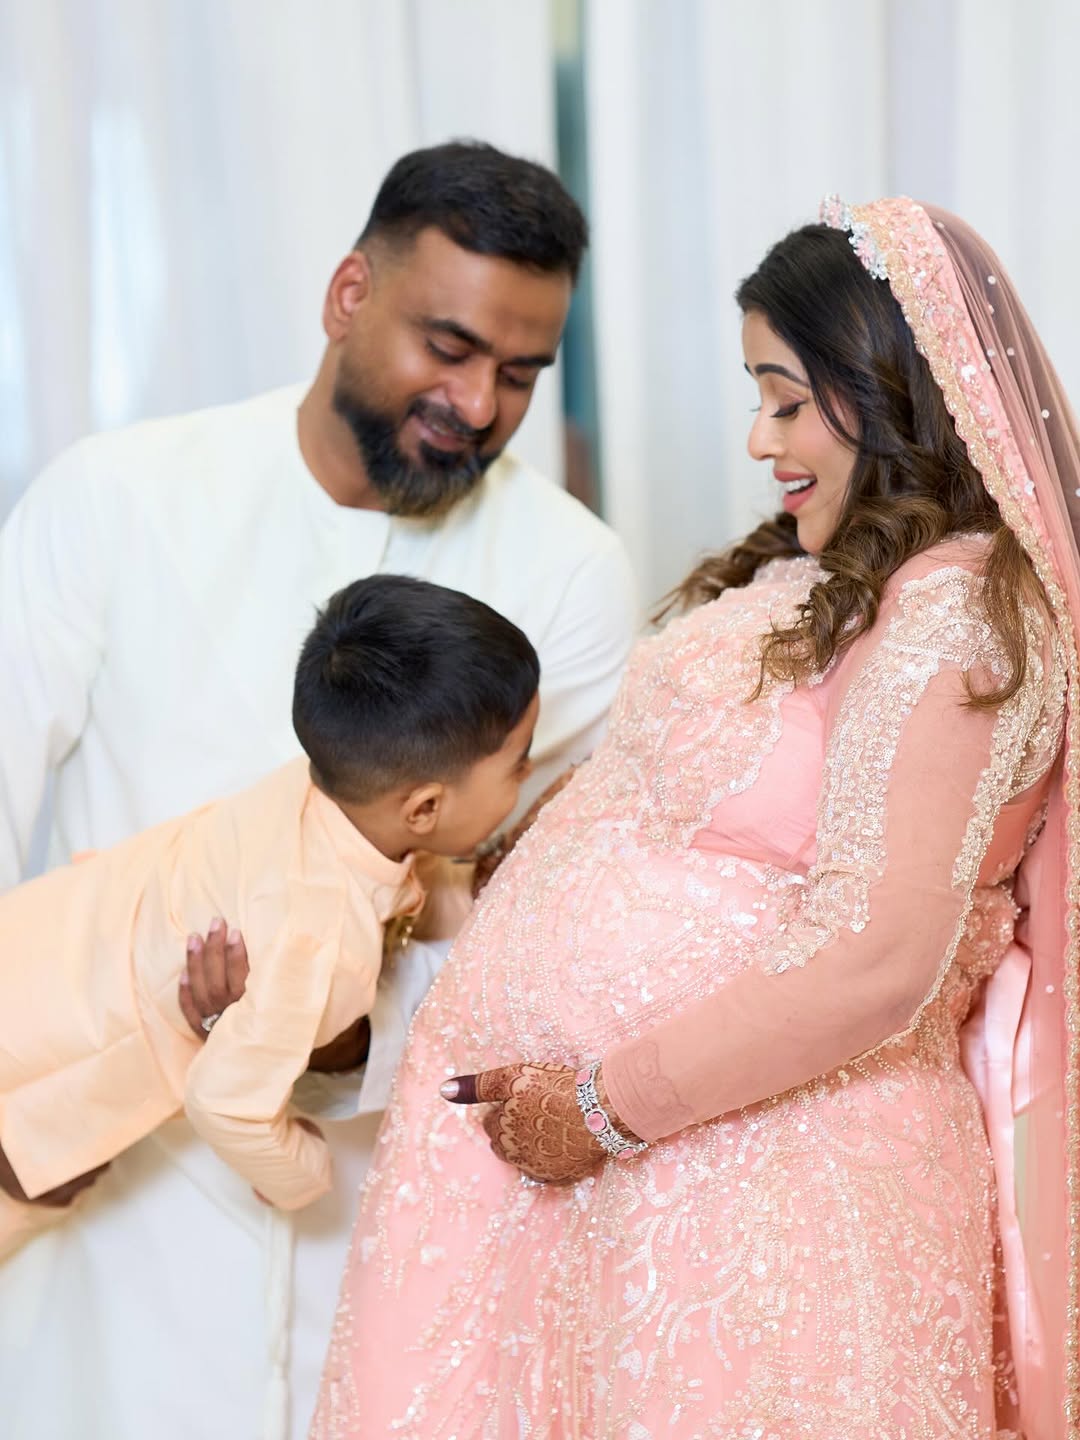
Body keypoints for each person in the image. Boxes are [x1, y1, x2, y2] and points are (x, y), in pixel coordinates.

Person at [311, 197, 1080, 1438]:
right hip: (662, 1187)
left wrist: (604, 1104)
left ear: (884, 392)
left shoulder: (958, 613)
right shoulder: (831, 575)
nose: (759, 438)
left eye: (786, 401)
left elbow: (878, 959)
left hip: (779, 1199)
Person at [0, 142, 636, 1439]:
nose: (477, 403)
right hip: (102, 1200)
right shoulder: (116, 498)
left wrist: (342, 1037)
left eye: (520, 374)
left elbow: (532, 929)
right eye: (447, 347)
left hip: (376, 1212)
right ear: (349, 293)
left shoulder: (572, 574)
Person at [0, 574, 539, 1258]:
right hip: (45, 1067)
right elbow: (227, 1103)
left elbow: (405, 881)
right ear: (425, 807)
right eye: (519, 763)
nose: (528, 776)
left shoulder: (310, 786)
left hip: (37, 940)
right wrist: (302, 1172)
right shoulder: (324, 946)